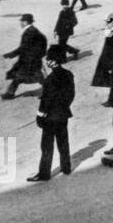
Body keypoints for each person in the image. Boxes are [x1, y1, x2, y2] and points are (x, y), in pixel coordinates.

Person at [27, 45, 76, 182]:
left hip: (50, 118)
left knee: (47, 146)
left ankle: (44, 173)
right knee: (63, 142)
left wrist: (40, 115)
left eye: (48, 59)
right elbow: (71, 94)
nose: (46, 62)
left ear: (53, 61)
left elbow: (46, 102)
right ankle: (66, 167)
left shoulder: (50, 80)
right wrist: (64, 107)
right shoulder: (68, 74)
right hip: (63, 114)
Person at [2, 14, 48, 99]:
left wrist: (10, 54)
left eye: (22, 21)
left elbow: (23, 47)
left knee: (37, 76)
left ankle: (51, 90)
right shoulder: (32, 30)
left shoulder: (30, 32)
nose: (21, 23)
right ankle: (10, 93)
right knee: (19, 75)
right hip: (28, 59)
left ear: (26, 22)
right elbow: (43, 40)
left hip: (30, 60)